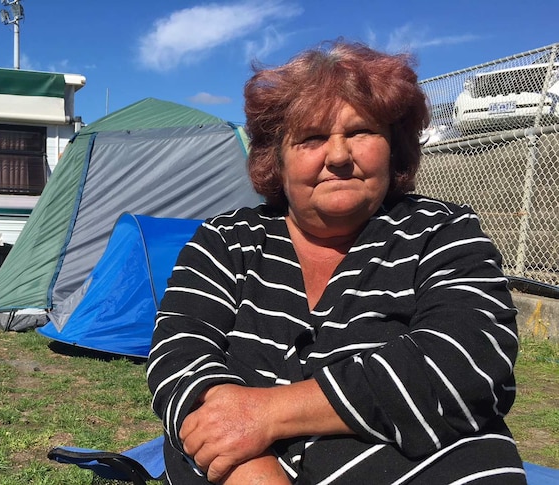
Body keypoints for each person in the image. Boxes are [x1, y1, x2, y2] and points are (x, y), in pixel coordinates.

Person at [146, 39, 525, 484]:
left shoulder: (442, 232)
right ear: (276, 160)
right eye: (312, 138)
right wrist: (247, 461)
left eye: (361, 131)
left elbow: (470, 362)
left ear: (393, 146)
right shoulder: (227, 239)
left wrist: (267, 414)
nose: (340, 156)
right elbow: (178, 355)